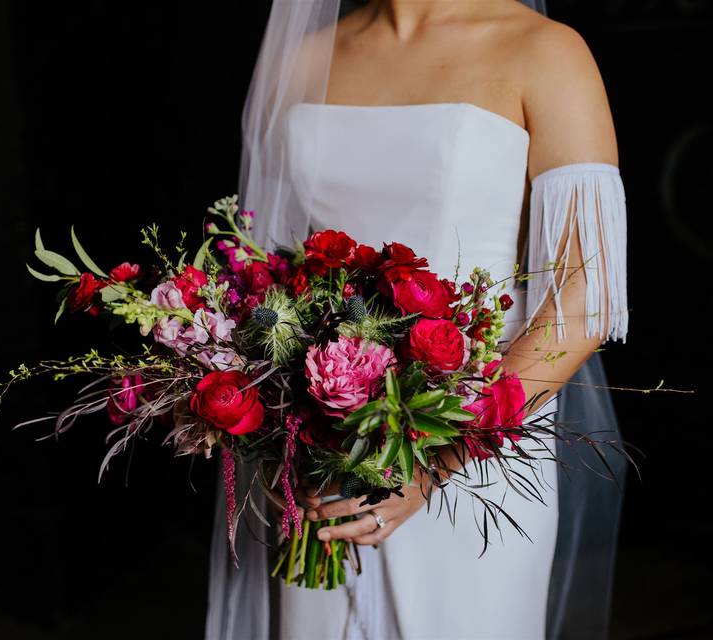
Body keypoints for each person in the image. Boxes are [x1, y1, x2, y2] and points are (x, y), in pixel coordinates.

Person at [206, 1, 629, 638]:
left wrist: (435, 463)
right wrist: (278, 438)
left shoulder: (547, 52)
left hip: (480, 449)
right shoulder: (305, 56)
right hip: (325, 450)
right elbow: (268, 275)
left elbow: (585, 297)